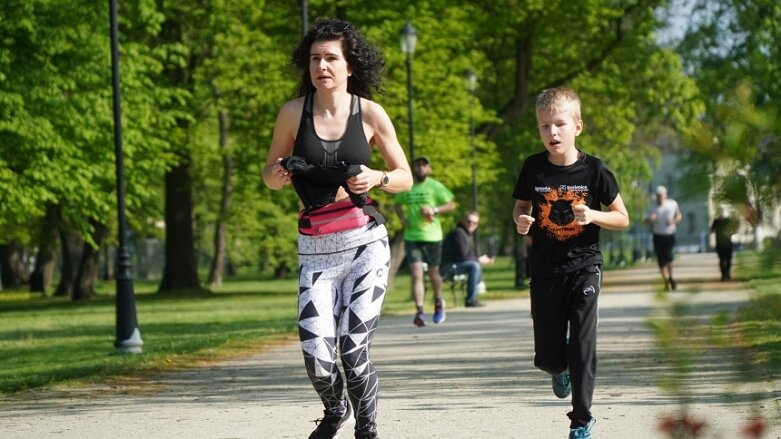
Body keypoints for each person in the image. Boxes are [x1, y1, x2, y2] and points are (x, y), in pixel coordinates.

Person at [262, 18, 412, 439]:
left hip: (365, 245)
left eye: (331, 58)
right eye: (314, 59)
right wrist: (279, 173)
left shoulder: (370, 113)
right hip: (315, 251)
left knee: (352, 348)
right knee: (317, 357)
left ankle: (367, 427)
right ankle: (336, 408)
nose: (321, 66)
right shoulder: (293, 113)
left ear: (350, 67)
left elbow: (405, 177)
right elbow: (269, 174)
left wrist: (377, 177)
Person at [512, 87, 629, 439]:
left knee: (581, 342)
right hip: (546, 270)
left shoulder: (595, 170)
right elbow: (521, 207)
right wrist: (521, 220)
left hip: (585, 266)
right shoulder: (533, 168)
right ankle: (556, 368)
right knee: (547, 356)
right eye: (544, 126)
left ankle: (581, 419)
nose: (552, 133)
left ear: (577, 126)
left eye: (559, 124)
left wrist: (592, 214)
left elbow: (622, 217)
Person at [394, 156, 455, 327]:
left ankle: (438, 301)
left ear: (429, 168)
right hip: (412, 236)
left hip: (432, 237)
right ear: (413, 168)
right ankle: (419, 311)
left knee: (433, 273)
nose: (420, 168)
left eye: (423, 165)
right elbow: (397, 204)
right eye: (417, 165)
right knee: (416, 273)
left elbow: (451, 205)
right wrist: (402, 219)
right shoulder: (407, 186)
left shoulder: (435, 186)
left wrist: (434, 209)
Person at [440, 210, 495, 307]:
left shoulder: (466, 234)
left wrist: (483, 258)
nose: (471, 224)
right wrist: (479, 259)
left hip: (456, 266)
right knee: (474, 265)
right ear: (463, 221)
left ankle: (477, 289)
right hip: (446, 268)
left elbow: (470, 255)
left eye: (474, 223)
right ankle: (470, 300)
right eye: (469, 221)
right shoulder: (458, 233)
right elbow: (463, 256)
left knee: (475, 264)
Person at [645, 185, 682, 290]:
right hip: (658, 235)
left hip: (670, 234)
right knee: (661, 260)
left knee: (669, 256)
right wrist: (650, 219)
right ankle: (665, 280)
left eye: (660, 195)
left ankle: (671, 277)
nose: (659, 197)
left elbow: (679, 215)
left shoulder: (672, 204)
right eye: (657, 196)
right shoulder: (652, 207)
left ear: (665, 195)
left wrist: (673, 221)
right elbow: (645, 221)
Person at [711, 206, 738, 281]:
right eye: (719, 212)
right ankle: (723, 275)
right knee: (722, 260)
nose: (721, 214)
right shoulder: (716, 221)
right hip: (719, 243)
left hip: (728, 242)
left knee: (729, 259)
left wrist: (731, 232)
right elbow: (712, 230)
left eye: (722, 212)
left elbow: (734, 229)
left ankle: (728, 273)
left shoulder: (728, 221)